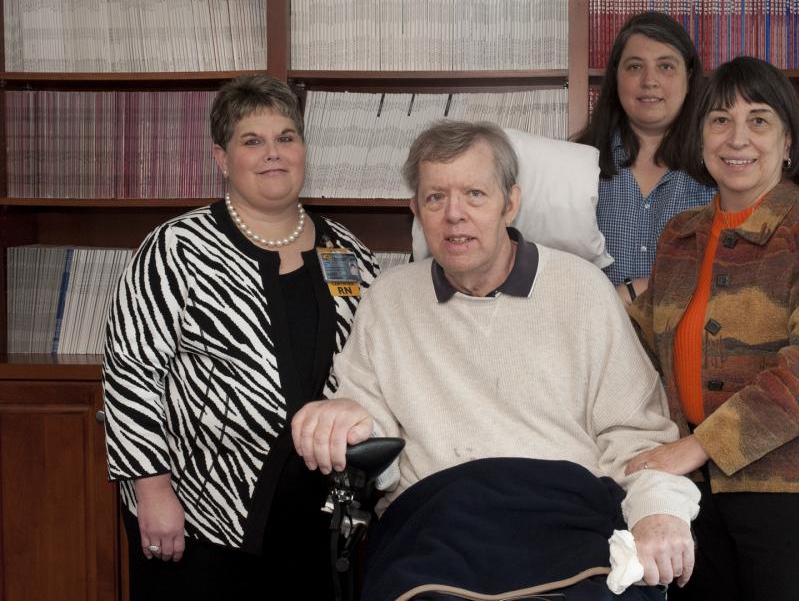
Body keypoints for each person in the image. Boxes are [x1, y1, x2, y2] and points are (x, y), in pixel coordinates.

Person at [291, 120, 700, 600]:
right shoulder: (388, 299)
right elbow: (370, 430)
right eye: (435, 198)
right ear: (415, 211)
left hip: (570, 520)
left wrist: (658, 510)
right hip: (438, 527)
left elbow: (637, 434)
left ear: (511, 202)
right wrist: (344, 417)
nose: (454, 215)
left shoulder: (582, 289)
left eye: (475, 195)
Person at [101, 75, 379, 600]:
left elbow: (376, 364)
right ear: (222, 158)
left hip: (316, 515)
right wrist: (153, 491)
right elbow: (130, 375)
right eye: (252, 141)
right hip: (202, 513)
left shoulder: (348, 251)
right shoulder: (176, 249)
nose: (273, 153)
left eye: (286, 137)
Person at [626, 56, 799, 601]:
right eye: (719, 120)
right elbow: (639, 347)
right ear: (699, 140)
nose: (737, 137)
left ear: (788, 143)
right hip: (693, 496)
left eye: (759, 119)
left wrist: (696, 447)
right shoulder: (680, 235)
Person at [575, 11, 715, 304]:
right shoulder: (576, 165)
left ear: (688, 77)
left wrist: (634, 291)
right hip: (596, 341)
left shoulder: (720, 166)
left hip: (694, 344)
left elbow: (739, 272)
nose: (649, 81)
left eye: (666, 66)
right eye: (635, 67)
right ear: (616, 77)